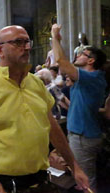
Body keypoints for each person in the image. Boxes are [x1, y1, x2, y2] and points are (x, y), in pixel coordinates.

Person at [0, 25, 89, 193]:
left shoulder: (36, 83)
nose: (26, 47)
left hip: (40, 181)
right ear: (0, 50)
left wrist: (74, 166)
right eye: (18, 42)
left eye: (27, 42)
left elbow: (53, 128)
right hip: (4, 185)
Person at [51, 24, 107, 191]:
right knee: (82, 178)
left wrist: (54, 36)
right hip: (81, 135)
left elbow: (61, 61)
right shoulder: (85, 80)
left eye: (83, 53)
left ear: (91, 60)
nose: (78, 54)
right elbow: (75, 105)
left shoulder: (93, 77)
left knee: (85, 182)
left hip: (83, 137)